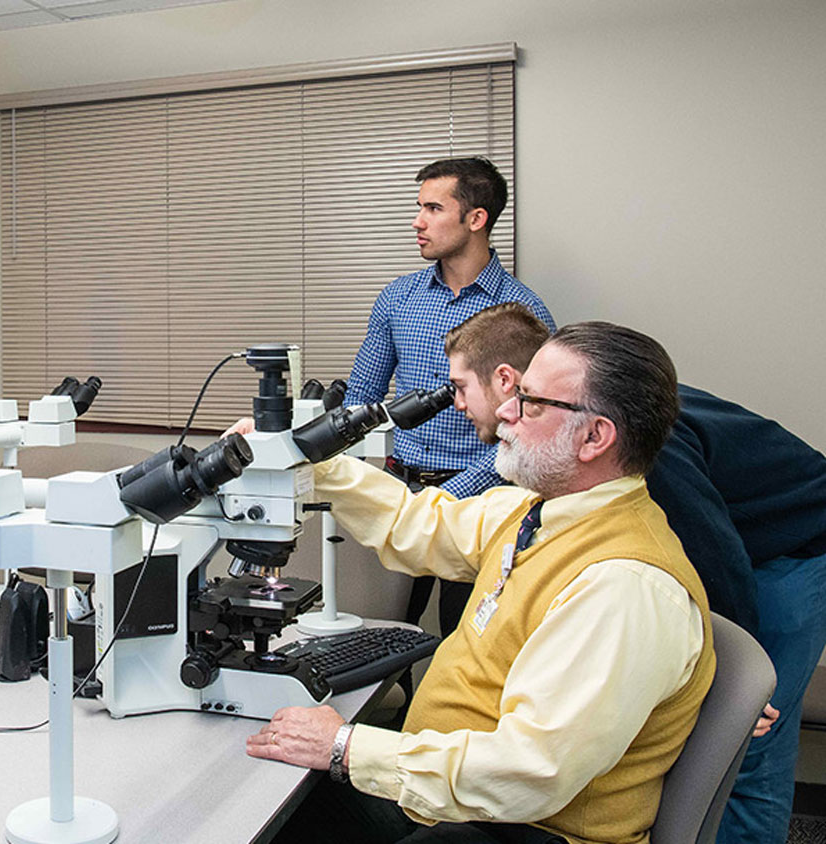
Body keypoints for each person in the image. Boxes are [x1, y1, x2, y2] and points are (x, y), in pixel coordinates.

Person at [248, 321, 714, 844]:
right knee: (268, 803)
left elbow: (531, 771)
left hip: (524, 828)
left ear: (594, 436)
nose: (506, 412)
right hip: (456, 799)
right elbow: (418, 525)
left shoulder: (624, 586)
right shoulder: (539, 513)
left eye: (531, 403)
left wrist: (346, 747)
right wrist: (299, 463)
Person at [438, 302, 826, 844]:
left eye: (458, 388)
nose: (453, 405)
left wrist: (727, 682)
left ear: (509, 381)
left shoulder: (640, 447)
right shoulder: (567, 432)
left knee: (751, 740)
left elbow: (719, 555)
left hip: (794, 541)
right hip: (735, 530)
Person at [344, 157, 555, 635]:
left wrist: (447, 496)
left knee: (465, 637)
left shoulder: (522, 314)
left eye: (433, 208)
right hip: (403, 491)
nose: (418, 222)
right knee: (383, 633)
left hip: (484, 503)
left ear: (475, 218)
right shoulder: (398, 298)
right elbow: (361, 399)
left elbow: (531, 426)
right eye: (419, 207)